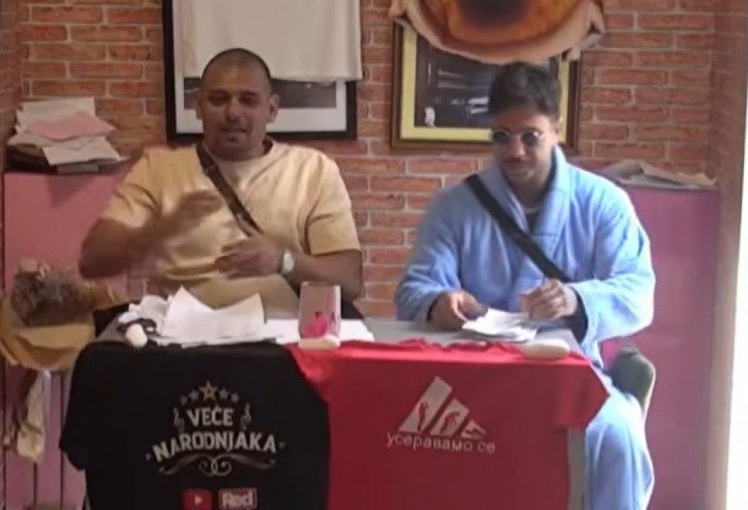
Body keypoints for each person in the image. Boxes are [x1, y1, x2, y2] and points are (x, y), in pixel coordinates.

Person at [395, 62, 656, 510]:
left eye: (530, 136)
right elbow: (412, 290)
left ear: (556, 130)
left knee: (618, 436)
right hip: (476, 378)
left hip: (571, 376)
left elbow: (638, 293)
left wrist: (576, 298)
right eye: (501, 136)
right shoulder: (454, 206)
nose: (514, 151)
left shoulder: (604, 203)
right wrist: (440, 301)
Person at [79, 48, 363, 316]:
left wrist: (283, 260)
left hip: (284, 335)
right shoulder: (158, 169)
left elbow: (350, 281)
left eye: (248, 100)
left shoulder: (314, 170)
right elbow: (92, 263)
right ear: (198, 106)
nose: (233, 113)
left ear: (272, 109)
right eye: (218, 99)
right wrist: (158, 231)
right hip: (185, 338)